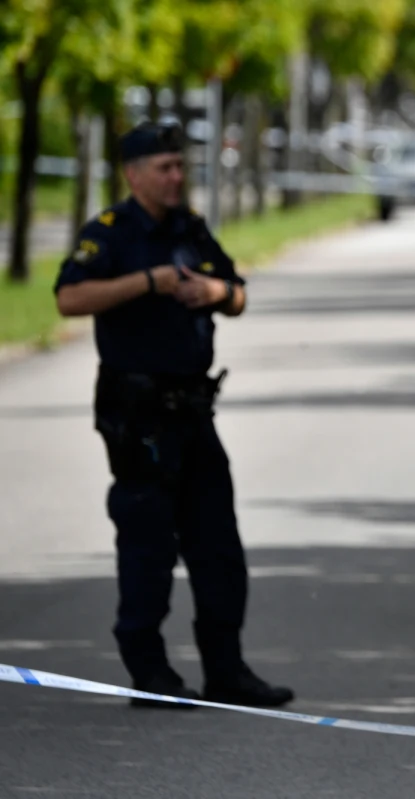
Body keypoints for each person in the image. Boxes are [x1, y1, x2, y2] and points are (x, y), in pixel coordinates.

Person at [54, 122, 293, 710]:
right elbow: (68, 298)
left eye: (179, 166)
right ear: (133, 174)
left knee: (218, 549)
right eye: (163, 167)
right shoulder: (110, 234)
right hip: (137, 418)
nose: (175, 177)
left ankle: (226, 670)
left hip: (192, 412)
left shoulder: (191, 229)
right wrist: (147, 283)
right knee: (148, 546)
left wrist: (215, 294)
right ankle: (150, 671)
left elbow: (237, 292)